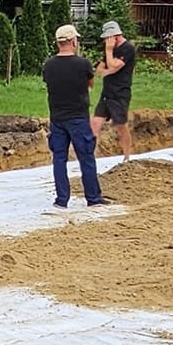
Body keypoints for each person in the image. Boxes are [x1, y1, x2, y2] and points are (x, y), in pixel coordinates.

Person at [40, 24, 105, 210]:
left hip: (57, 118)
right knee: (86, 157)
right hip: (78, 118)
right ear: (73, 41)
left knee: (59, 159)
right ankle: (93, 198)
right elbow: (90, 83)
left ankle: (61, 200)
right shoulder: (83, 64)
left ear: (58, 43)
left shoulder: (49, 65)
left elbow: (49, 84)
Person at [91, 18, 136, 157]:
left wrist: (109, 51)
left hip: (120, 93)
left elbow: (113, 65)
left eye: (107, 38)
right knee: (95, 124)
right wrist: (108, 69)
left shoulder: (127, 49)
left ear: (114, 36)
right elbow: (100, 69)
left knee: (121, 125)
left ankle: (127, 155)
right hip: (107, 93)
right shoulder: (110, 50)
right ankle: (91, 156)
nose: (105, 41)